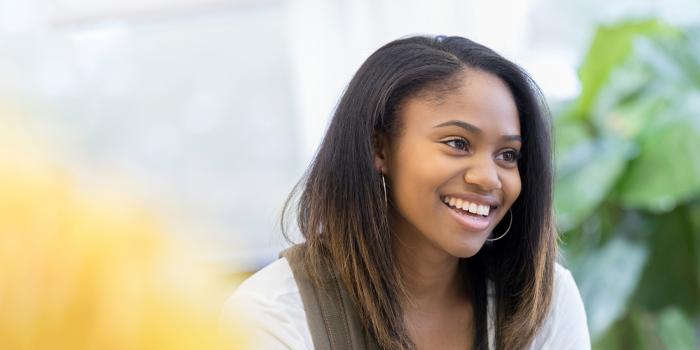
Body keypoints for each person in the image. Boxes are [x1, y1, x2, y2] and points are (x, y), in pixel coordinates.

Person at [224, 35, 590, 349]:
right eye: (457, 143)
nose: (489, 178)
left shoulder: (545, 300)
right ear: (379, 149)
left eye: (507, 155)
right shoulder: (272, 313)